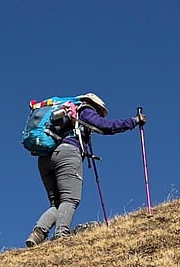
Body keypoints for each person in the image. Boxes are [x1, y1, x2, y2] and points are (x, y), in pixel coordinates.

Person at [25, 93, 146, 246]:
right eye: (100, 112)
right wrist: (134, 121)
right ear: (93, 104)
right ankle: (61, 235)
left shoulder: (66, 114)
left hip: (44, 158)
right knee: (70, 199)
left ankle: (37, 235)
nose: (99, 114)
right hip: (67, 154)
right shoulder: (85, 110)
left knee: (57, 203)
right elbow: (105, 127)